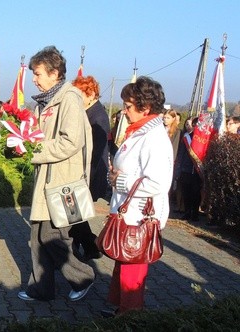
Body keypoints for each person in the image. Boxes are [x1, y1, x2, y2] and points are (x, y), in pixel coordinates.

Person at [17, 46, 95, 302]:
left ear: (54, 72)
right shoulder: (48, 101)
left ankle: (82, 276)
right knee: (37, 236)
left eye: (37, 73)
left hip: (62, 183)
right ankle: (41, 289)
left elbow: (71, 141)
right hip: (48, 181)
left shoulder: (69, 99)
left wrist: (32, 149)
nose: (34, 79)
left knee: (52, 236)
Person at [104, 76, 173, 317]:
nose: (125, 110)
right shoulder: (139, 131)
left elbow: (158, 182)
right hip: (129, 211)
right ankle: (121, 311)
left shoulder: (155, 138)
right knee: (124, 264)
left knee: (132, 270)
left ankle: (130, 316)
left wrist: (120, 180)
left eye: (129, 106)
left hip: (140, 216)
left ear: (145, 108)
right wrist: (114, 178)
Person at [70, 75, 110, 260]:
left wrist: (86, 179)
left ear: (91, 93)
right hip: (83, 172)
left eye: (80, 94)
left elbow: (96, 151)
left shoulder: (98, 116)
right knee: (75, 215)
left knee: (74, 214)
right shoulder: (86, 111)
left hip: (91, 173)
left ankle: (90, 245)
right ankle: (86, 245)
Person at [175, 117, 201, 222]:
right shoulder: (187, 137)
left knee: (195, 193)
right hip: (186, 169)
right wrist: (179, 168)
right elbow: (181, 154)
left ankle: (195, 213)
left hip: (197, 170)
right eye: (195, 125)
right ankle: (187, 212)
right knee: (186, 192)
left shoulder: (203, 140)